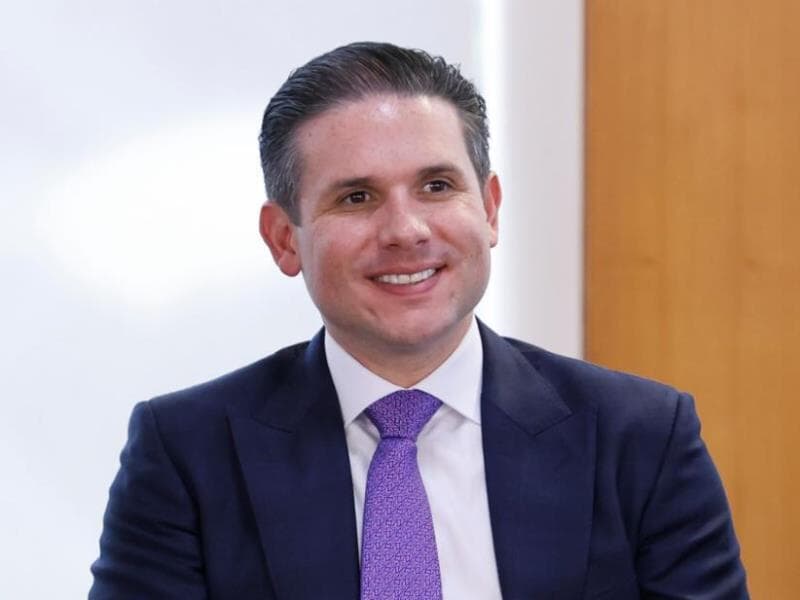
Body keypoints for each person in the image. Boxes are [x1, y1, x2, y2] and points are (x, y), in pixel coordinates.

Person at [89, 42, 748, 599]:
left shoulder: (642, 438)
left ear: (490, 209)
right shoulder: (187, 453)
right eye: (357, 197)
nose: (405, 230)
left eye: (437, 187)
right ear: (285, 239)